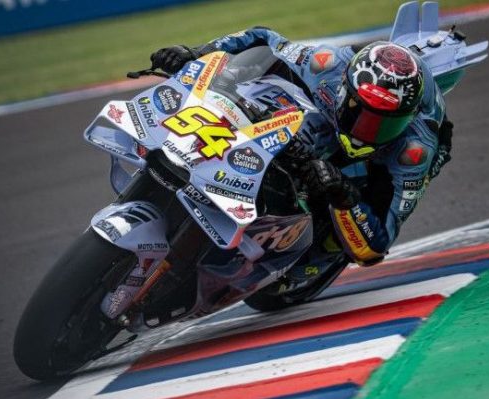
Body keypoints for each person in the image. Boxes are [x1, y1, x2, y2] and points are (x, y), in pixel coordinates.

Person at [150, 27, 454, 304]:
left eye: (384, 124)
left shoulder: (415, 150)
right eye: (363, 116)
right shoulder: (326, 64)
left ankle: (308, 262)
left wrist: (343, 194)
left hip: (378, 163)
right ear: (345, 91)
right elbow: (263, 38)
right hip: (318, 120)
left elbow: (374, 248)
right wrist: (200, 53)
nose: (369, 131)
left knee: (340, 227)